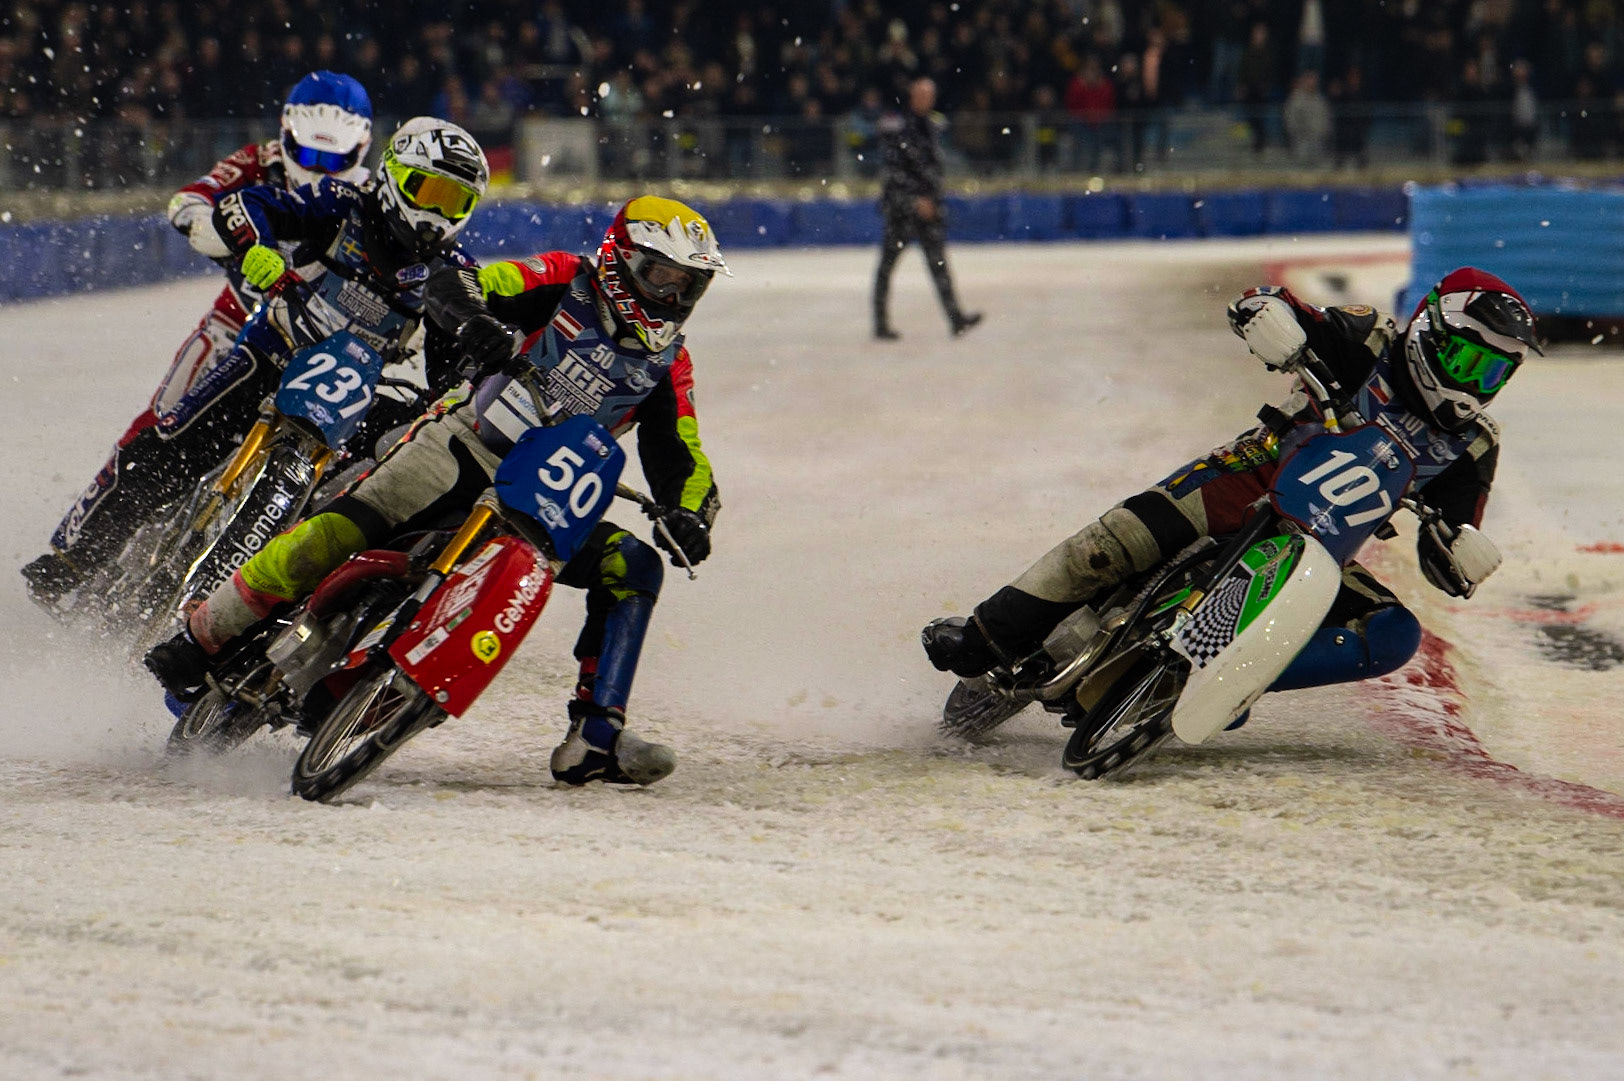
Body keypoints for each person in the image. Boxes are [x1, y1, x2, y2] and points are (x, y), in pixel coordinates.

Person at [145, 196, 726, 788]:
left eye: (687, 284)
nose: (671, 295)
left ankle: (595, 736)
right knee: (346, 526)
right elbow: (460, 283)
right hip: (464, 442)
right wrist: (476, 322)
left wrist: (691, 513)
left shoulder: (669, 364)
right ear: (621, 259)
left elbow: (682, 452)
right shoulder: (563, 278)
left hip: (547, 499)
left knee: (635, 566)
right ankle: (204, 634)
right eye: (661, 275)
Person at [922, 268, 1540, 710]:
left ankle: (1230, 683)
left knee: (1394, 634)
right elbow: (1277, 306)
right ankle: (985, 635)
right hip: (1250, 475)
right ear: (1431, 331)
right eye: (1468, 361)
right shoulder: (1369, 337)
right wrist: (1269, 317)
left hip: (1322, 553)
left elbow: (1450, 539)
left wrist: (1460, 551)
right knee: (1112, 544)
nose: (1474, 385)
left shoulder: (1474, 445)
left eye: (1494, 372)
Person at [21, 71, 375, 613]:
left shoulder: (370, 195)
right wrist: (231, 238)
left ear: (361, 148)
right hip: (236, 322)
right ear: (286, 134)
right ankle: (75, 551)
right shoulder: (255, 161)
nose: (319, 169)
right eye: (309, 154)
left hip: (317, 345)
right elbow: (186, 204)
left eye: (334, 159)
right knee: (160, 423)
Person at [872, 76, 981, 341]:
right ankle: (880, 324)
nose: (927, 99)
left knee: (939, 265)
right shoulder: (898, 125)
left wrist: (932, 199)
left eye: (930, 95)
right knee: (887, 267)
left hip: (929, 208)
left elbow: (932, 168)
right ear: (912, 94)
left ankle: (956, 318)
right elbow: (894, 169)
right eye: (922, 94)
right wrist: (915, 200)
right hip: (902, 209)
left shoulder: (931, 124)